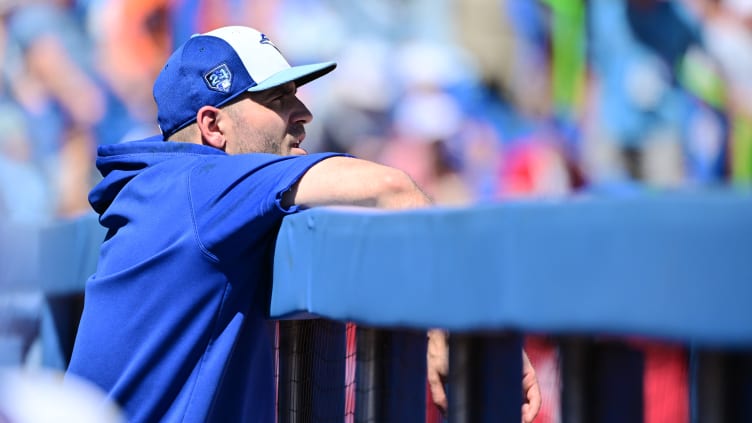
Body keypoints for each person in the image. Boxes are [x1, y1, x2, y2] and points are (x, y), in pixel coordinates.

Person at [65, 25, 540, 422]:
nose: (304, 113)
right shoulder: (203, 183)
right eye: (276, 99)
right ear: (214, 127)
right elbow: (394, 189)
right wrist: (452, 327)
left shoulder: (171, 190)